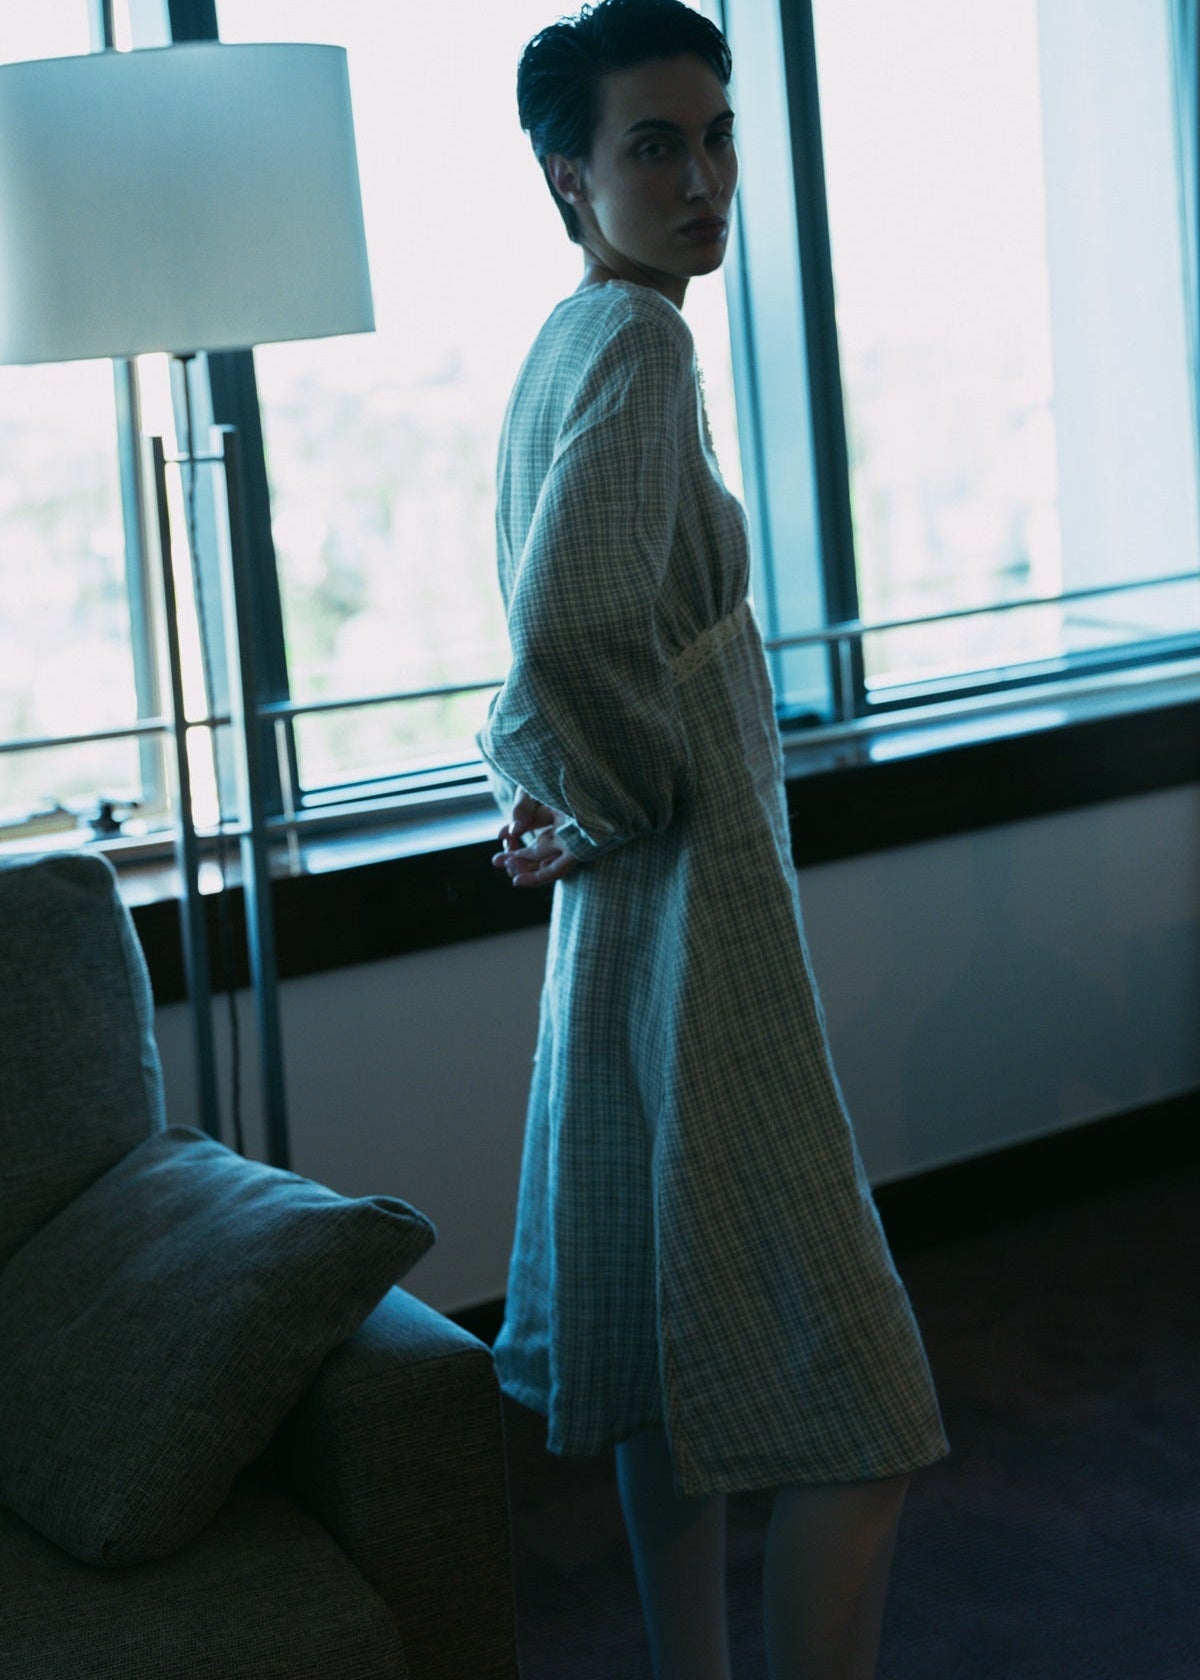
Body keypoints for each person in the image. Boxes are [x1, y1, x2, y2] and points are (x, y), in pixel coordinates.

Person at [476, 3, 948, 1674]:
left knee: (674, 1371)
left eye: (718, 134)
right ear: (569, 175)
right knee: (869, 1414)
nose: (702, 178)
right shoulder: (642, 346)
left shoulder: (565, 341)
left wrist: (560, 806)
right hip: (703, 920)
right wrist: (602, 795)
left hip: (630, 915)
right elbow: (562, 634)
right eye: (652, 145)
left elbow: (551, 639)